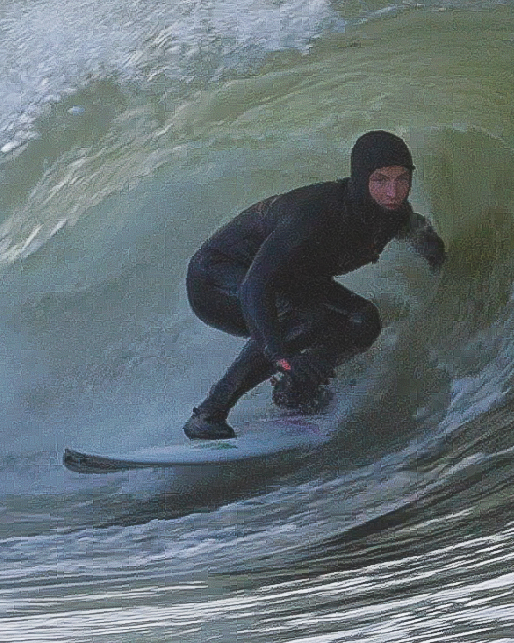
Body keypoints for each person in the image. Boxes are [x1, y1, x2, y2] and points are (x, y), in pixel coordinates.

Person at [181, 130, 447, 439]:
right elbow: (255, 287)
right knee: (306, 318)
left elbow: (427, 242)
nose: (393, 192)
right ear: (361, 179)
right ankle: (209, 413)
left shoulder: (394, 216)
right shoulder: (316, 214)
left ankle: (296, 390)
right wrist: (280, 356)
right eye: (381, 180)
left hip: (289, 281)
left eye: (403, 179)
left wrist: (445, 266)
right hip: (216, 279)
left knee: (363, 320)